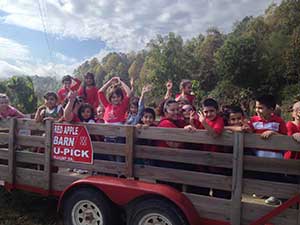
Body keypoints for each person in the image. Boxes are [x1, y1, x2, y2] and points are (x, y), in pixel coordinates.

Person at [248, 94, 287, 205]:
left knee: (274, 175)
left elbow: (285, 137)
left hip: (275, 156)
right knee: (261, 174)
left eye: (261, 108)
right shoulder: (253, 120)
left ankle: (275, 195)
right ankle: (263, 191)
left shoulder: (279, 121)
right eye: (256, 107)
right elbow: (250, 133)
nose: (257, 110)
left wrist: (273, 133)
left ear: (271, 109)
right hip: (259, 154)